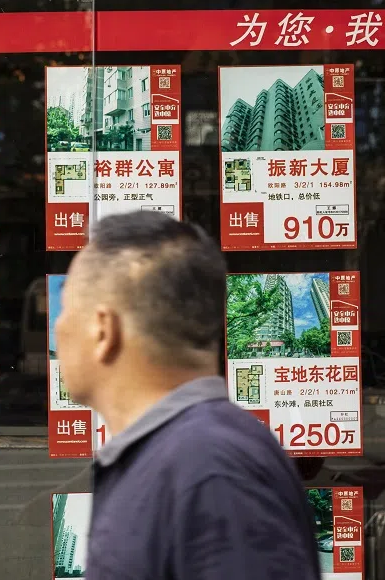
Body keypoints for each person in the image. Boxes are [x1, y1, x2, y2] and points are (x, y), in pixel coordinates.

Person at [54, 210, 321, 580]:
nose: (57, 326)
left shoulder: (211, 468)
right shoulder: (188, 453)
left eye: (66, 308)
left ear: (104, 330)